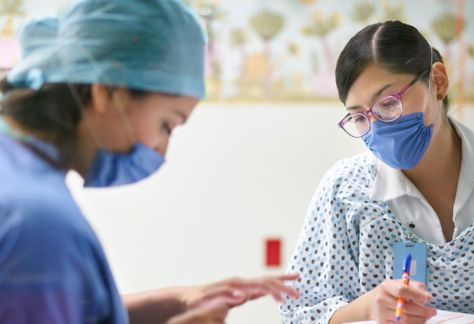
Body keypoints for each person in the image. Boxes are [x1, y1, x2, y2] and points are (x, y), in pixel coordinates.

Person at [0, 0, 299, 323]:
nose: (161, 150)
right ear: (107, 90)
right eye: (166, 125)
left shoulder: (16, 174)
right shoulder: (39, 221)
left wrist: (178, 302)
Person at [280, 20, 474, 324]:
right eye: (359, 117)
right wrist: (366, 308)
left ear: (438, 81)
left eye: (388, 103)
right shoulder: (345, 192)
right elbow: (299, 314)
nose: (377, 126)